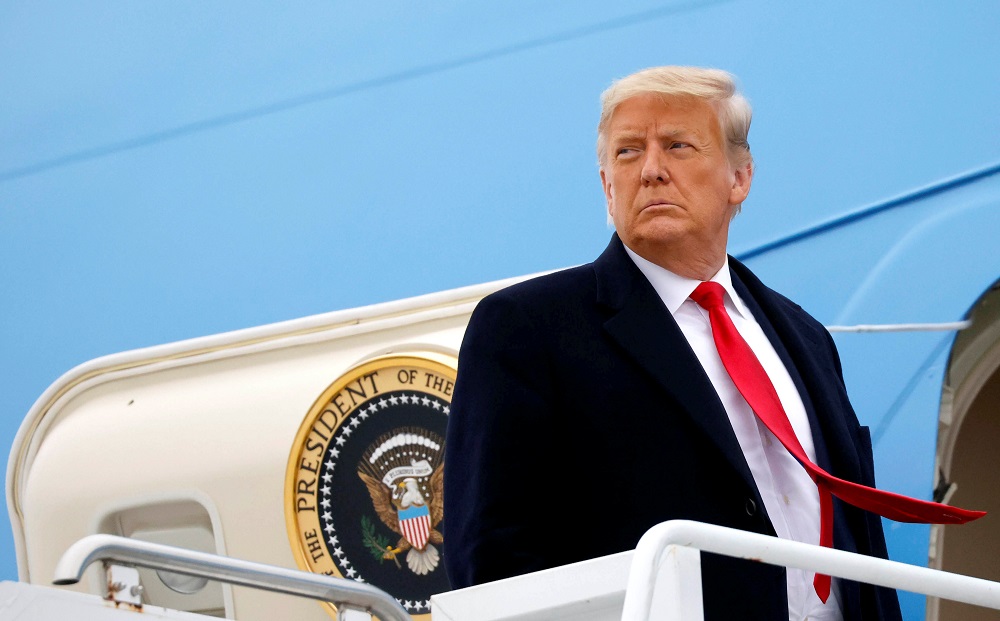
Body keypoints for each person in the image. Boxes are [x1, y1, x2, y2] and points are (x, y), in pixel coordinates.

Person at [443, 66, 978, 620]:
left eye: (677, 145)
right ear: (607, 186)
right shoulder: (526, 329)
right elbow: (493, 561)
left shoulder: (805, 336)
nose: (651, 170)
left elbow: (856, 533)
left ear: (739, 178)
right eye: (628, 153)